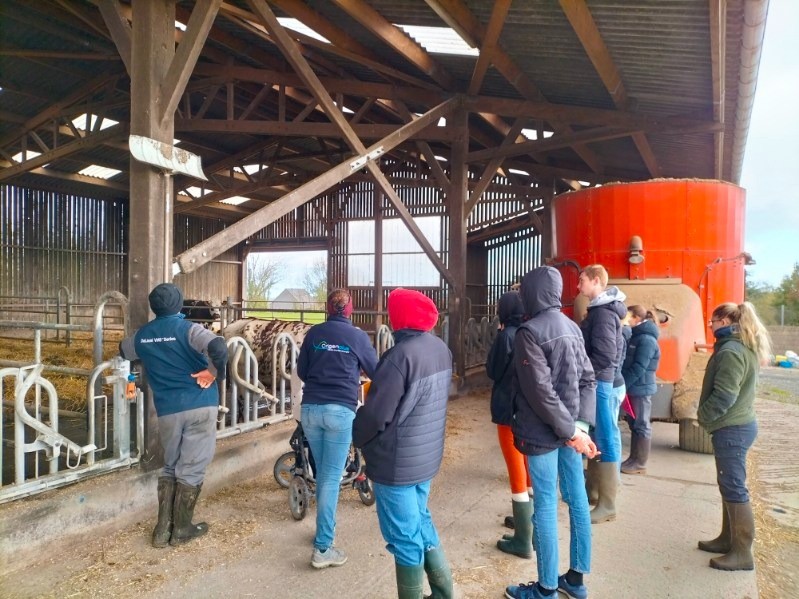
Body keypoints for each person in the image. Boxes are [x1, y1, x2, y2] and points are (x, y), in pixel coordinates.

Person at [505, 266, 599, 599]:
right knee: (576, 501)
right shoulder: (572, 328)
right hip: (571, 430)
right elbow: (589, 380)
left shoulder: (528, 333)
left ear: (530, 293)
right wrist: (580, 427)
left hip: (543, 434)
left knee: (545, 505)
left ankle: (545, 588)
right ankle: (575, 579)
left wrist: (572, 432)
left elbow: (539, 392)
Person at [353, 288, 453, 599]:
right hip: (426, 457)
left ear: (398, 320)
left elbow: (377, 415)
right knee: (421, 521)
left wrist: (358, 431)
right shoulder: (440, 348)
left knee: (404, 537)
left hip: (397, 463)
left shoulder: (399, 357)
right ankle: (442, 592)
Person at [119, 283, 228, 548]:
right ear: (179, 304)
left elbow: (123, 351)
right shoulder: (188, 329)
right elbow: (219, 347)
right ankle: (182, 529)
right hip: (199, 403)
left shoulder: (143, 336)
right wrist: (213, 373)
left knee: (171, 464)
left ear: (154, 306)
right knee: (191, 466)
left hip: (167, 410)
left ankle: (161, 530)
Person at [296, 288, 378, 569]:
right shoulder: (357, 336)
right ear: (350, 308)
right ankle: (322, 548)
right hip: (339, 412)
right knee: (331, 477)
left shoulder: (315, 334)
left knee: (323, 474)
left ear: (328, 309)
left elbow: (302, 372)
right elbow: (376, 370)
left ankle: (322, 529)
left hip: (310, 410)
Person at [697, 302, 771, 571]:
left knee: (735, 487)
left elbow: (725, 394)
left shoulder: (731, 350)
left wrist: (703, 416)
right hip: (737, 426)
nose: (711, 327)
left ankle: (742, 552)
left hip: (732, 428)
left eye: (713, 322)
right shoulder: (741, 346)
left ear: (725, 321)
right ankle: (728, 539)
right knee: (729, 484)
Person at [577, 264, 627, 524]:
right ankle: (595, 491)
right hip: (600, 381)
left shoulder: (604, 314)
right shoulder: (601, 311)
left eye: (582, 280)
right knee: (598, 434)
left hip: (600, 382)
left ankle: (608, 504)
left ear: (596, 281)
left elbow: (606, 356)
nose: (578, 285)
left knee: (605, 436)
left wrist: (587, 373)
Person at [486, 291, 533, 559]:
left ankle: (523, 540)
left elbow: (492, 370)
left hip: (507, 407)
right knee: (527, 463)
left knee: (515, 466)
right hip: (527, 408)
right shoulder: (530, 331)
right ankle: (530, 523)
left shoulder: (506, 336)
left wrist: (500, 334)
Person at [620, 306, 661, 475]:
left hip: (640, 389)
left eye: (628, 317)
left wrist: (624, 384)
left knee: (642, 424)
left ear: (636, 318)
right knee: (634, 424)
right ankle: (633, 459)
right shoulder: (637, 336)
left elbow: (639, 367)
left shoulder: (646, 340)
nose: (626, 320)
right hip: (634, 387)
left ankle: (640, 463)